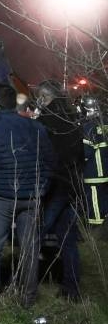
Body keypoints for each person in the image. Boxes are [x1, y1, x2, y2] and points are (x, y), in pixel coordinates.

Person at [0, 84, 56, 306]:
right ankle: (28, 297)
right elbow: (50, 161)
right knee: (30, 248)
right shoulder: (37, 127)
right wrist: (41, 188)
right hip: (32, 197)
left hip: (2, 197)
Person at [35, 80, 84, 301]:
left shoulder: (46, 121)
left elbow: (41, 154)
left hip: (53, 184)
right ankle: (71, 289)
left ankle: (25, 285)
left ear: (45, 97)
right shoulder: (72, 119)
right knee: (68, 239)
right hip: (71, 183)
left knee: (36, 233)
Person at [81, 96, 107, 226]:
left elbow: (86, 152)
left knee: (95, 201)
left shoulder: (88, 127)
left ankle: (96, 226)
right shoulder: (105, 123)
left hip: (94, 172)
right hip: (105, 171)